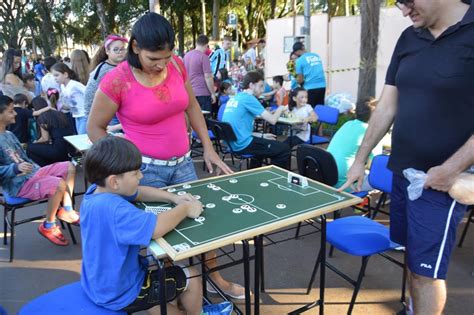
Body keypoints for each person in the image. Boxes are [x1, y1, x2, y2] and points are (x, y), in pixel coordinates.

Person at [87, 13, 245, 299]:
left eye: (167, 56)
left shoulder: (177, 65)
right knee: (164, 240)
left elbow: (193, 106)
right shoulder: (116, 81)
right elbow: (94, 128)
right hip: (144, 172)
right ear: (135, 47)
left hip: (183, 162)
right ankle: (176, 296)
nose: (161, 64)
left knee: (200, 224)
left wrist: (207, 146)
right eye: (153, 58)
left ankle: (214, 281)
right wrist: (123, 166)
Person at [339, 1, 474, 314]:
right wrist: (360, 159)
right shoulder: (410, 37)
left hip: (441, 183)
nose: (403, 10)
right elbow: (387, 105)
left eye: (407, 1)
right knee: (412, 259)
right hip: (402, 173)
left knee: (426, 273)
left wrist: (449, 171)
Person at [81, 136, 203, 314]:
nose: (141, 176)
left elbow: (138, 192)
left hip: (100, 284)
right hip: (122, 291)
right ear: (115, 181)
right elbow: (156, 228)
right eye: (135, 173)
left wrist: (173, 197)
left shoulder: (95, 192)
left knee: (157, 263)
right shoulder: (115, 209)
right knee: (191, 275)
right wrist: (185, 208)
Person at [0, 95, 79, 246]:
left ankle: (67, 210)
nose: (15, 113)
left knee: (69, 167)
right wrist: (15, 168)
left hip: (32, 174)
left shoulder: (8, 134)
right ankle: (48, 226)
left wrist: (36, 169)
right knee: (58, 185)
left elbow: (23, 157)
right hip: (18, 185)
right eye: (11, 111)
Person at [222, 71, 290, 169]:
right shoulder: (249, 98)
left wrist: (262, 135)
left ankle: (253, 173)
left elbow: (240, 129)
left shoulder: (237, 97)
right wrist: (281, 108)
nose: (263, 90)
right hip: (242, 144)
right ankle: (277, 178)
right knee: (284, 149)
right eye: (260, 86)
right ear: (251, 85)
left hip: (232, 143)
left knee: (262, 148)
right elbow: (273, 120)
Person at [327, 98, 379, 189]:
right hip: (345, 184)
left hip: (327, 175)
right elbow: (374, 165)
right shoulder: (370, 131)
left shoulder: (348, 124)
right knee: (380, 177)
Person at [84, 34, 128, 132]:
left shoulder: (121, 66)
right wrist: (90, 117)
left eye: (122, 49)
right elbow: (89, 93)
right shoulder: (104, 70)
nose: (120, 52)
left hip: (118, 112)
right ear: (107, 51)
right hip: (108, 115)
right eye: (116, 50)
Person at [27, 96, 75, 166]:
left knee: (30, 148)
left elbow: (45, 138)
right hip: (69, 150)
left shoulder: (43, 117)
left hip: (58, 151)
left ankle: (47, 167)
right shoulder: (59, 113)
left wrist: (35, 142)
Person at [51, 62, 87, 134]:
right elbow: (70, 104)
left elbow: (88, 92)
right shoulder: (62, 86)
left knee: (82, 137)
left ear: (65, 74)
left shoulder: (74, 84)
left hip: (85, 115)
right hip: (76, 116)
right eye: (54, 76)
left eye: (57, 75)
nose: (55, 78)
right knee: (80, 137)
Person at [183, 34, 216, 112]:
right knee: (205, 119)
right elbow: (208, 77)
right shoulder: (204, 57)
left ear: (196, 43)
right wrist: (213, 93)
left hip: (189, 92)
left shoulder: (186, 56)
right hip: (202, 93)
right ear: (206, 45)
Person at [292, 42, 326, 107]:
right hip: (322, 85)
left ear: (297, 51)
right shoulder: (316, 55)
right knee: (320, 108)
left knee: (309, 109)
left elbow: (300, 80)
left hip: (310, 87)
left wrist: (296, 81)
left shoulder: (299, 60)